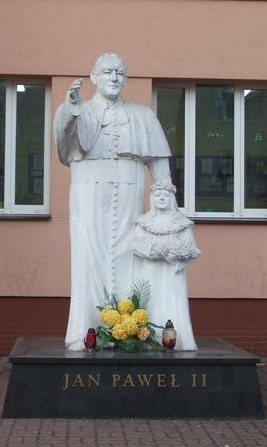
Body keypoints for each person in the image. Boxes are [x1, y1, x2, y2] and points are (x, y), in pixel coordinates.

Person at [55, 52, 172, 350]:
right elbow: (66, 145)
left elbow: (160, 167)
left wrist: (166, 210)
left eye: (119, 72)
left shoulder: (143, 116)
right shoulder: (78, 110)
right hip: (88, 194)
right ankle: (86, 332)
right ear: (93, 77)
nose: (114, 78)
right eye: (107, 72)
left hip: (130, 194)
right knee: (87, 261)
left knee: (129, 260)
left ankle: (129, 329)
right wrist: (72, 109)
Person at [132, 180, 200, 351]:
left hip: (171, 273)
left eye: (165, 195)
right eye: (157, 195)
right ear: (152, 198)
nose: (161, 198)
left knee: (172, 303)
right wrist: (153, 250)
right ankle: (148, 341)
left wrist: (173, 253)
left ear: (172, 198)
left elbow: (191, 248)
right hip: (149, 271)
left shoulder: (182, 222)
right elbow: (135, 244)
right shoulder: (144, 221)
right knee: (151, 302)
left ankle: (177, 341)